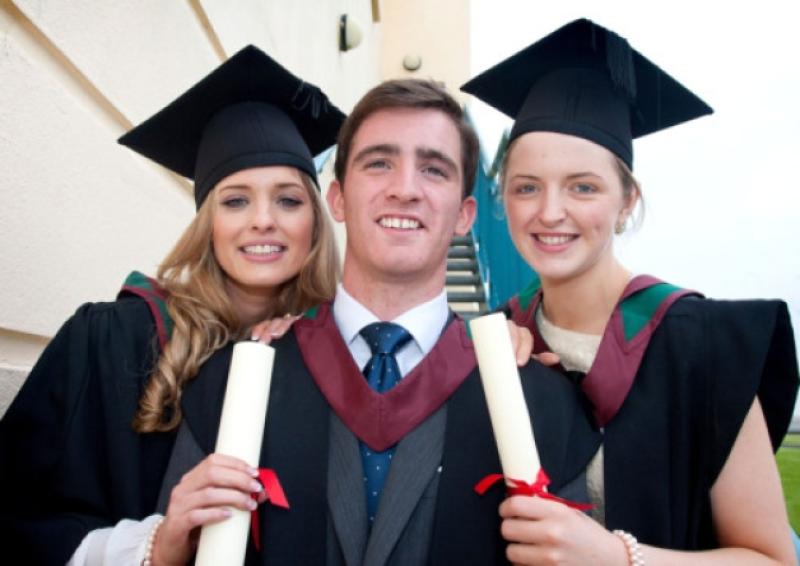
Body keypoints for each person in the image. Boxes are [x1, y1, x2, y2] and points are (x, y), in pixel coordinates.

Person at [134, 78, 603, 565]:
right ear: (337, 199)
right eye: (379, 163)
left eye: (434, 169)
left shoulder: (538, 399)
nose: (405, 189)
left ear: (465, 215)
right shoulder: (231, 381)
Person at [462, 18, 799, 564]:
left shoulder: (703, 345)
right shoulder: (496, 343)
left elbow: (772, 559)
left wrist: (617, 557)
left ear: (627, 202)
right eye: (527, 187)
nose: (550, 212)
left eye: (583, 187)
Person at [0, 45, 344, 564]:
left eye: (289, 200)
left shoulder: (335, 354)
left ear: (314, 222)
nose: (263, 220)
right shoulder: (112, 339)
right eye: (235, 200)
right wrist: (154, 547)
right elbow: (17, 519)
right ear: (208, 223)